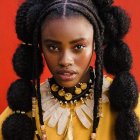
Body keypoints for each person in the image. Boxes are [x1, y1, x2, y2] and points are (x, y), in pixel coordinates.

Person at [0, 0, 140, 140]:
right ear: (40, 47)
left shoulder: (129, 108)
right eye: (53, 47)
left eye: (78, 47)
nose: (65, 60)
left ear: (95, 43)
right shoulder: (23, 111)